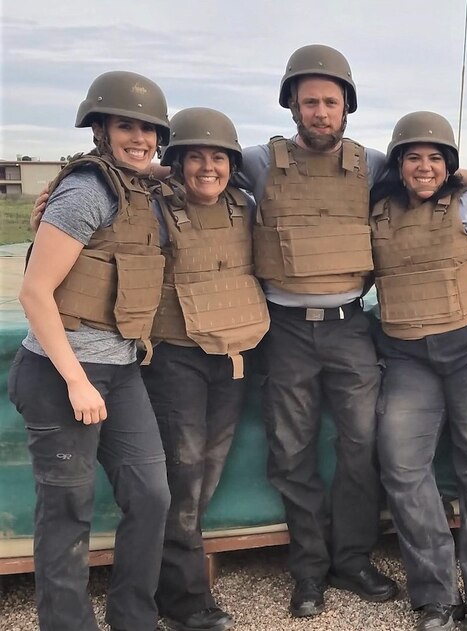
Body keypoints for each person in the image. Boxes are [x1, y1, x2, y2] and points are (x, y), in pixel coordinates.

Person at [232, 44, 397, 617]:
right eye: (309, 102)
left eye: (330, 101)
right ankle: (308, 571)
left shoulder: (372, 164)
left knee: (360, 448)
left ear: (346, 106)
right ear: (292, 106)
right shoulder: (258, 161)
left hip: (351, 327)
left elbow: (446, 172)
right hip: (285, 330)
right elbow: (184, 166)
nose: (320, 112)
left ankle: (352, 561)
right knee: (292, 452)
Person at [9, 70, 172, 631]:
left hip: (121, 371)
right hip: (61, 375)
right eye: (127, 125)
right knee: (66, 513)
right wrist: (76, 379)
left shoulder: (140, 189)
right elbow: (34, 291)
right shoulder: (87, 191)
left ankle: (134, 618)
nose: (140, 138)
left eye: (149, 129)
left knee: (151, 496)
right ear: (101, 128)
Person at [371, 111, 467, 631]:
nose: (425, 166)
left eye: (436, 157)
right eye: (413, 156)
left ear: (450, 164)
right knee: (403, 466)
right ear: (398, 164)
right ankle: (432, 594)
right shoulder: (379, 213)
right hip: (408, 356)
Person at [144, 107, 270, 631]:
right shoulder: (152, 208)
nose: (207, 168)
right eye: (194, 156)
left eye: (218, 156)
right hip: (176, 357)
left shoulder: (245, 204)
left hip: (234, 353)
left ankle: (172, 578)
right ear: (175, 162)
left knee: (206, 472)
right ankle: (186, 598)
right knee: (184, 471)